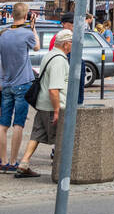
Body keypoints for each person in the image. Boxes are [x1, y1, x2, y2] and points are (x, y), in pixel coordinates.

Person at [16, 29, 73, 178]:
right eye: (72, 43)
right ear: (66, 44)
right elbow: (54, 89)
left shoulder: (49, 55)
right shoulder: (59, 60)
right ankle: (61, 171)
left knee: (37, 135)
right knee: (61, 138)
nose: (73, 46)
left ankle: (24, 163)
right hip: (51, 106)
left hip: (42, 103)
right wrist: (56, 110)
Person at [0, 2, 38, 173]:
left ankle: (3, 160)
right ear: (27, 15)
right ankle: (14, 161)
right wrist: (33, 27)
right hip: (22, 83)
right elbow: (36, 46)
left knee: (3, 124)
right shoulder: (27, 34)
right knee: (18, 124)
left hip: (6, 83)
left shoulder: (3, 34)